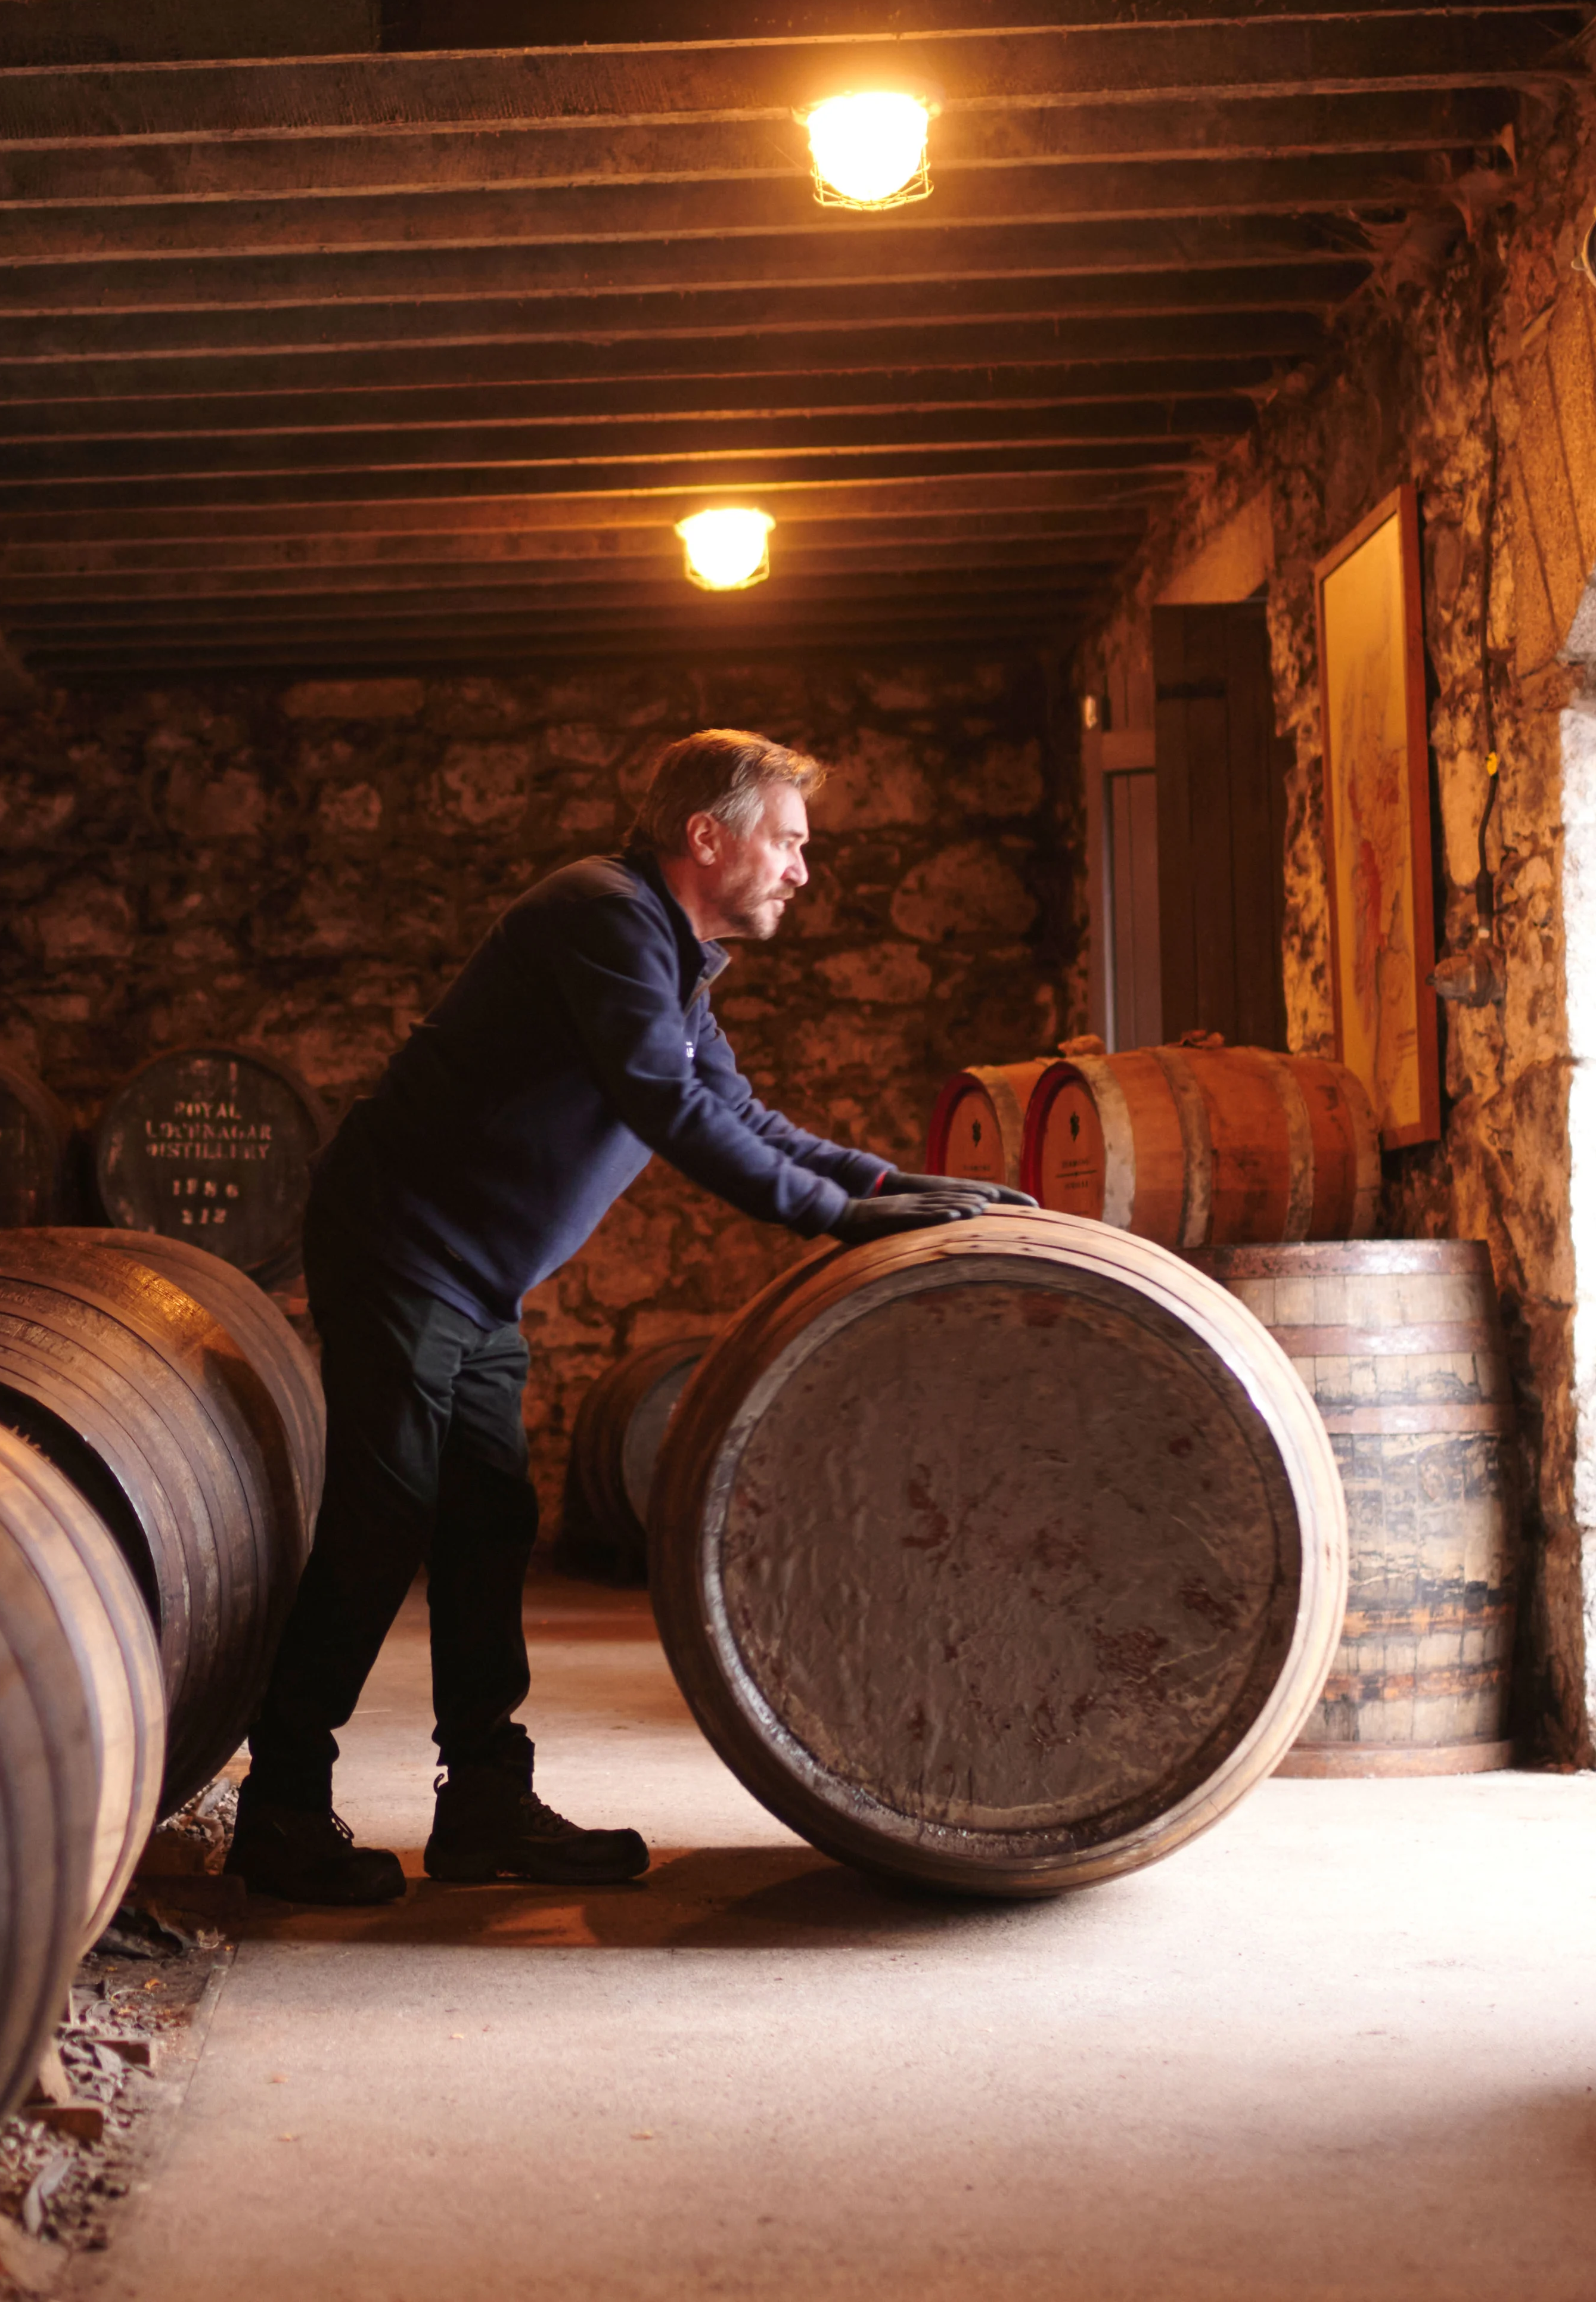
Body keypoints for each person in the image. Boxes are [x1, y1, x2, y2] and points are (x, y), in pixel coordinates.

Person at [229, 729, 1031, 1906]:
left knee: (489, 1517)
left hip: (471, 1270)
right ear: (707, 836)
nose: (804, 869)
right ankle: (283, 1806)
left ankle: (486, 1801)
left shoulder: (673, 956)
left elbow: (741, 1111)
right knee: (383, 1510)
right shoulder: (599, 915)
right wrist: (831, 1222)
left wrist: (891, 1189)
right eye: (789, 841)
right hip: (403, 1245)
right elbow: (665, 1104)